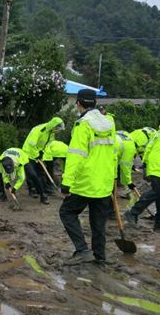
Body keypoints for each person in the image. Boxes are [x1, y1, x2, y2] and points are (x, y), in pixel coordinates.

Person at [59, 89, 116, 265]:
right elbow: (113, 154)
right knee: (98, 222)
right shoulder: (109, 123)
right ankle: (100, 257)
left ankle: (83, 250)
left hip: (85, 182)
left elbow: (76, 155)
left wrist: (66, 182)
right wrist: (113, 178)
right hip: (104, 183)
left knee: (67, 212)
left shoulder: (82, 125)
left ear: (79, 104)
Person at [22, 117, 65, 204]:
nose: (57, 131)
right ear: (53, 126)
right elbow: (31, 144)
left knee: (41, 172)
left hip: (39, 153)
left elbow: (48, 144)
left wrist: (43, 154)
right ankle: (32, 189)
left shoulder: (51, 132)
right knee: (31, 173)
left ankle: (42, 189)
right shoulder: (39, 130)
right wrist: (37, 155)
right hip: (29, 152)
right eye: (57, 129)